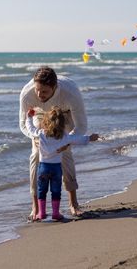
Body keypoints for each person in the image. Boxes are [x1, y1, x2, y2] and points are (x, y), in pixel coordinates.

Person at [19, 66, 88, 219]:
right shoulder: (28, 95)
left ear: (54, 87)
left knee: (65, 153)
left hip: (63, 113)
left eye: (44, 92)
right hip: (39, 114)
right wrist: (36, 138)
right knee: (36, 154)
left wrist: (66, 142)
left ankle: (73, 203)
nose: (39, 94)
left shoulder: (70, 93)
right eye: (37, 90)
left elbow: (81, 126)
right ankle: (35, 206)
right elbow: (23, 124)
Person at [26, 106, 99, 220]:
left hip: (43, 168)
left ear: (45, 122)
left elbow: (30, 128)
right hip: (56, 169)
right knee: (56, 191)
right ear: (63, 125)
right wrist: (90, 138)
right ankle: (55, 213)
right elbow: (79, 139)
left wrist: (29, 117)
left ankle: (41, 213)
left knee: (42, 190)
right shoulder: (65, 137)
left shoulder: (40, 134)